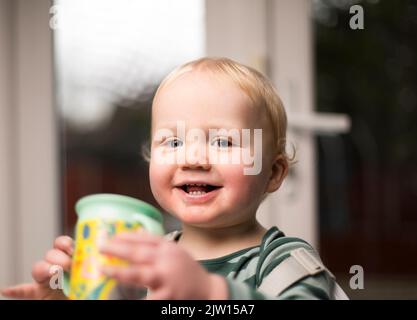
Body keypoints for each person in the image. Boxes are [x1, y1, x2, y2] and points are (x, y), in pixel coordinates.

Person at [1, 57, 347, 300]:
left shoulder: (282, 260)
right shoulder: (146, 261)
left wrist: (210, 293)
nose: (193, 158)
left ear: (272, 173)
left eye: (223, 141)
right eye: (175, 141)